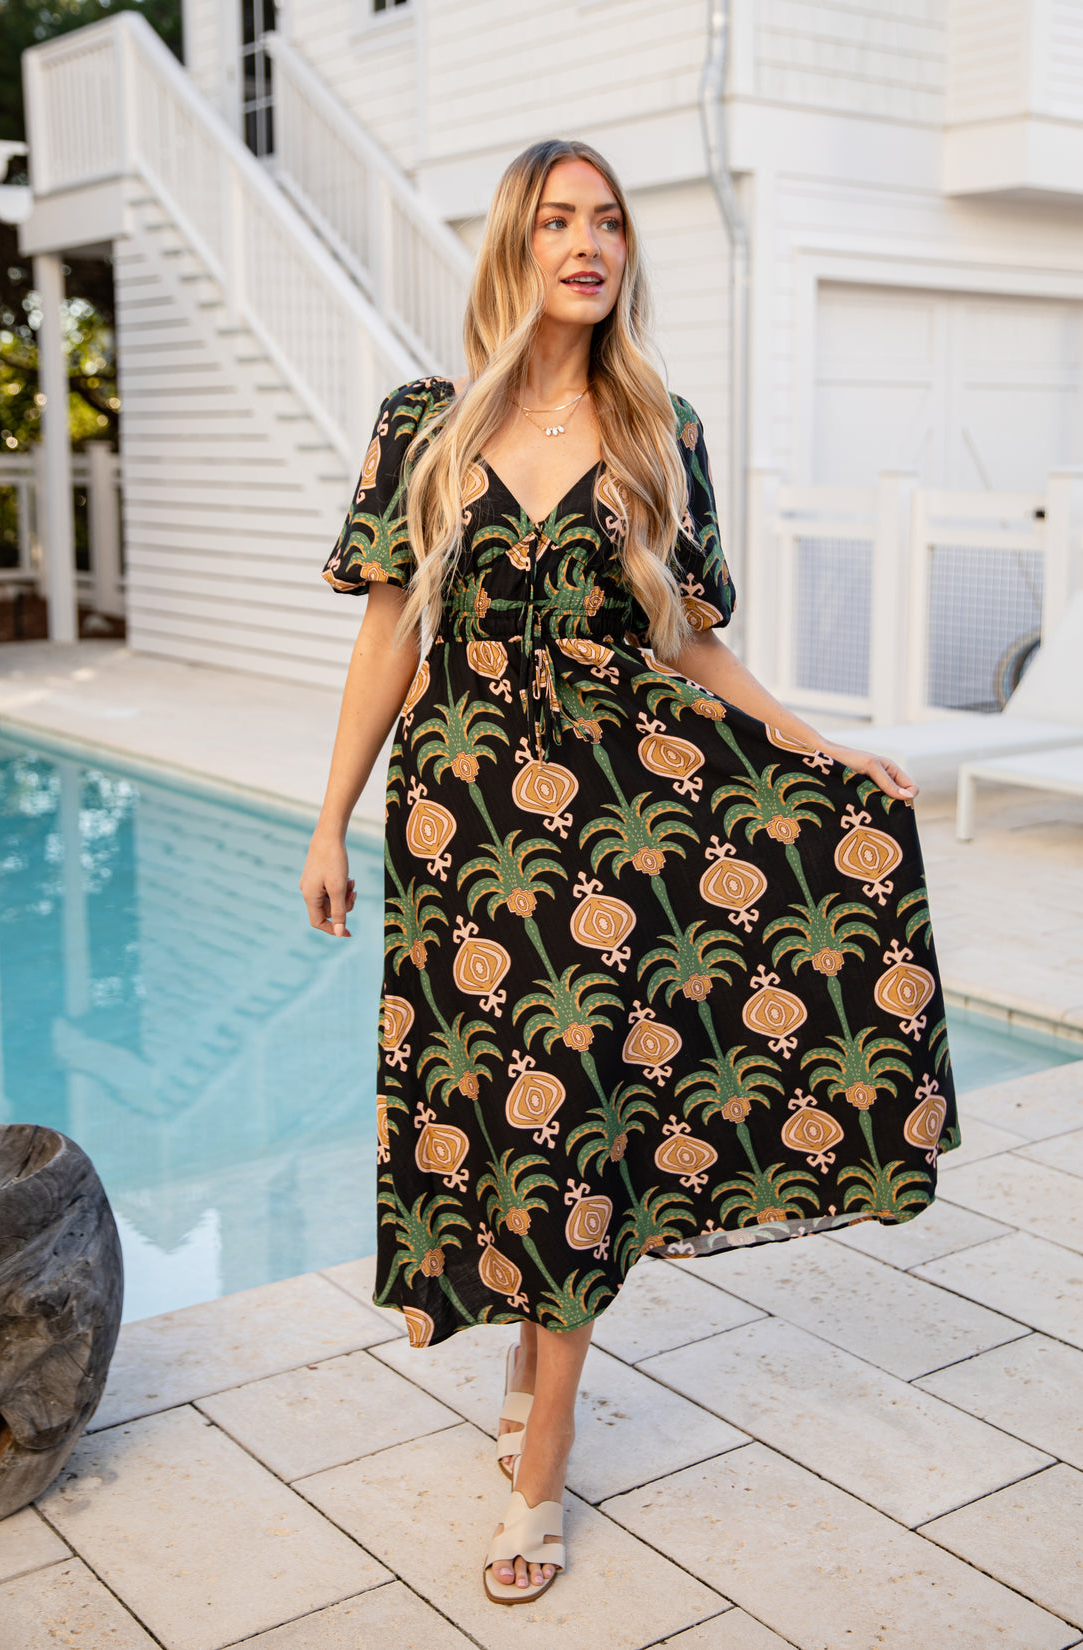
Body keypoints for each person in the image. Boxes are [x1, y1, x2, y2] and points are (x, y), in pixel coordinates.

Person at [300, 138, 959, 1606]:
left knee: (579, 1117)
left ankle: (543, 1451)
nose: (586, 244)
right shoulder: (423, 425)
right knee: (503, 1108)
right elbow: (384, 644)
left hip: (616, 824)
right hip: (459, 827)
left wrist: (825, 752)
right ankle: (535, 1360)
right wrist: (326, 819)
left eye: (606, 222)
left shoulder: (660, 428)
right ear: (512, 247)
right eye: (557, 221)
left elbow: (691, 646)